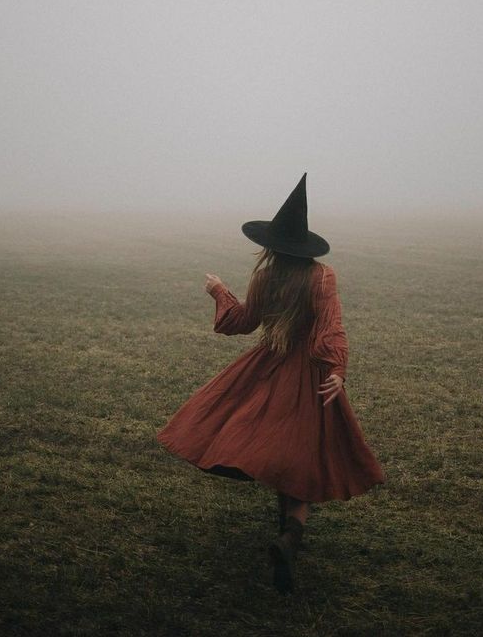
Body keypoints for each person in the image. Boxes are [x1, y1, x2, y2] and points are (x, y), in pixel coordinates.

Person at [156, 173, 385, 594]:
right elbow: (330, 328)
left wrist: (219, 291)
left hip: (268, 369)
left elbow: (242, 322)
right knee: (302, 456)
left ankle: (287, 538)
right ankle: (290, 537)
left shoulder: (267, 277)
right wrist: (335, 370)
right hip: (310, 377)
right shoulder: (321, 277)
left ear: (272, 246)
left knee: (278, 448)